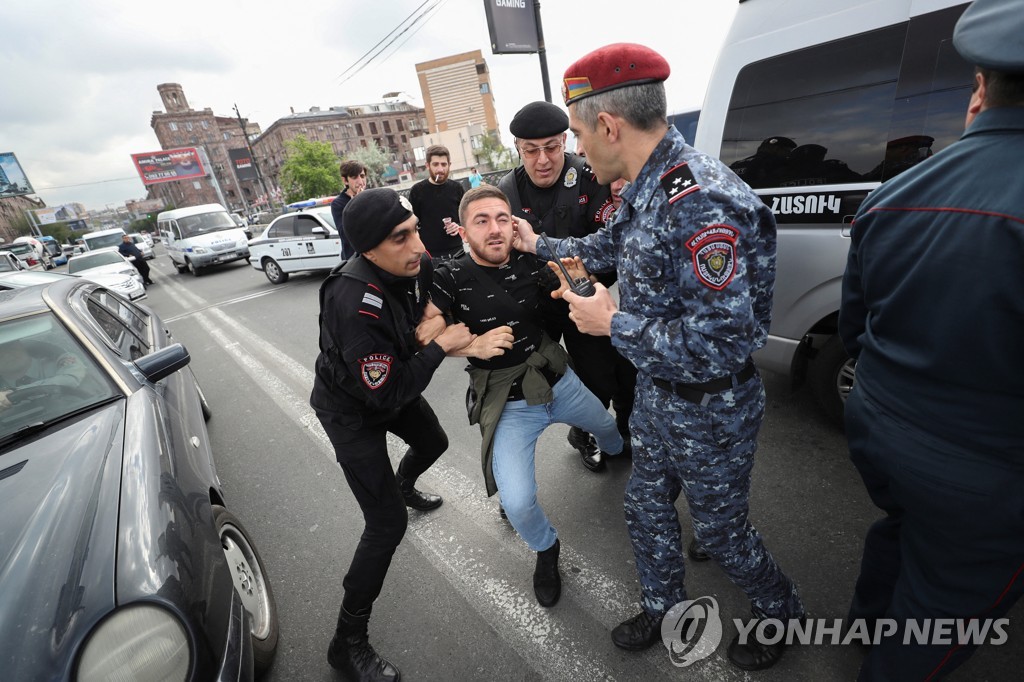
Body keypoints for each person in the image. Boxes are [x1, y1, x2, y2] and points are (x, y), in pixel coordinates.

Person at [514, 43, 805, 669]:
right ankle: (663, 604)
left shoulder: (701, 202)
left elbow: (722, 341)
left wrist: (613, 323)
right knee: (644, 505)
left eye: (578, 135)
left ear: (609, 126)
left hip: (711, 406)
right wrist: (537, 243)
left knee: (723, 534)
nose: (577, 150)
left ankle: (780, 612)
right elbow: (601, 247)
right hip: (658, 398)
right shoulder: (647, 189)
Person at [839, 1, 1024, 679]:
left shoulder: (892, 194)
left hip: (881, 432)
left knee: (903, 527)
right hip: (989, 473)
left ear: (979, 87)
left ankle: (864, 623)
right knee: (941, 611)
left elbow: (854, 328)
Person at [420, 184, 624, 607]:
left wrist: (580, 283)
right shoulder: (447, 276)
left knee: (609, 429)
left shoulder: (535, 261)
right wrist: (470, 347)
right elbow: (425, 332)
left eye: (502, 219)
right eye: (481, 221)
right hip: (509, 403)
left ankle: (612, 452)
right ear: (462, 231)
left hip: (559, 382)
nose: (494, 229)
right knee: (517, 503)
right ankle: (546, 549)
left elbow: (578, 293)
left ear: (513, 224)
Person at [310, 188, 478, 681]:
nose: (418, 247)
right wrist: (441, 343)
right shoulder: (351, 302)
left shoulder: (414, 263)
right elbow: (385, 395)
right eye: (400, 238)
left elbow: (440, 290)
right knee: (386, 526)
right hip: (351, 412)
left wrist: (435, 318)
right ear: (367, 249)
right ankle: (347, 641)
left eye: (415, 232)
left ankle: (403, 485)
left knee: (434, 443)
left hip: (390, 386)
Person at [498, 100, 637, 473]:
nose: (542, 159)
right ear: (518, 149)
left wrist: (589, 282)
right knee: (530, 385)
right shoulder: (505, 192)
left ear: (564, 141)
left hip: (583, 298)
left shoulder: (591, 179)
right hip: (534, 304)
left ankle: (584, 431)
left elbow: (610, 247)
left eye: (551, 147)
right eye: (531, 150)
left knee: (599, 378)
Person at [408, 145, 464, 261]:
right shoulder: (417, 191)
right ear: (427, 165)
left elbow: (467, 218)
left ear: (449, 165)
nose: (440, 169)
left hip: (458, 252)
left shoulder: (457, 188)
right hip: (429, 255)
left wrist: (458, 225)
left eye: (444, 164)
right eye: (435, 164)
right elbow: (412, 224)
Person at [0, 339, 86, 410]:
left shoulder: (58, 363)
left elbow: (70, 379)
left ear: (20, 345)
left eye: (9, 346)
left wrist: (12, 393)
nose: (6, 354)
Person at [330, 159, 368, 260]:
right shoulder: (338, 204)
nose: (360, 181)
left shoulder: (372, 197)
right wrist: (356, 205)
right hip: (355, 259)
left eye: (362, 176)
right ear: (345, 180)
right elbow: (345, 235)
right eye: (354, 177)